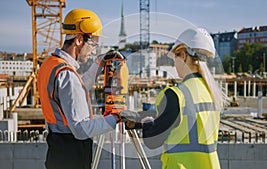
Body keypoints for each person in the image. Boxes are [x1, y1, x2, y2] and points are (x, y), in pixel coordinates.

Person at [126, 28, 227, 169]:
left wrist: (147, 123)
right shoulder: (212, 93)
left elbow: (153, 141)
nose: (174, 64)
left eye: (175, 58)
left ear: (184, 56)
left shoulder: (176, 95)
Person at [37, 9, 123, 169]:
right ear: (78, 39)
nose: (94, 50)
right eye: (93, 44)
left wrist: (99, 65)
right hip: (72, 155)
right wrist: (117, 118)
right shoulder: (67, 74)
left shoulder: (50, 65)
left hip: (57, 150)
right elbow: (81, 130)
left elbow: (75, 90)